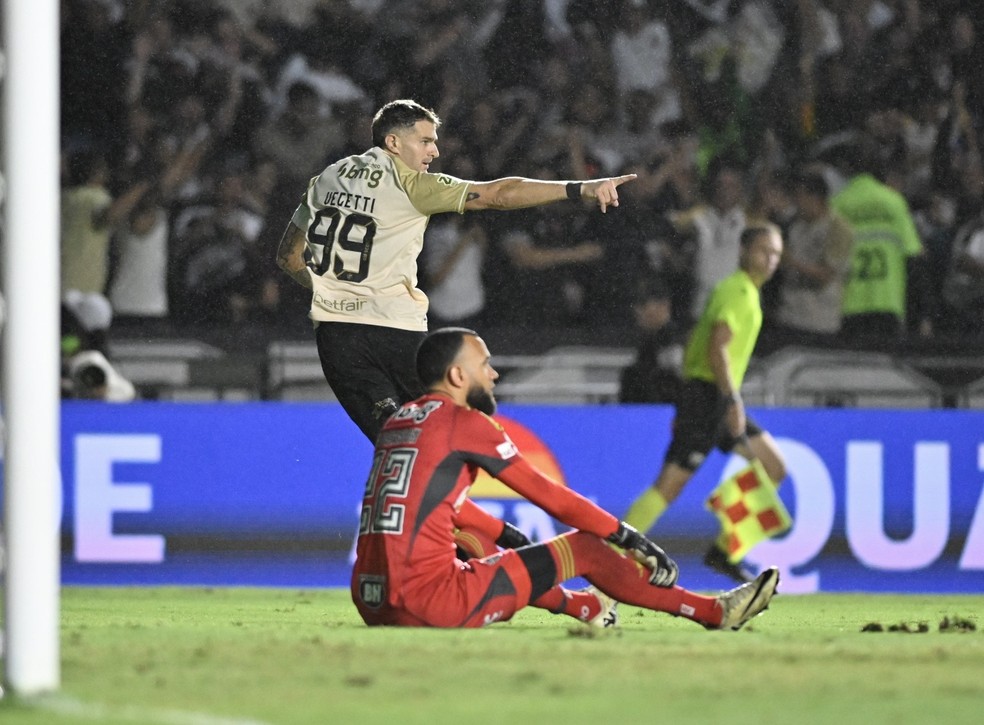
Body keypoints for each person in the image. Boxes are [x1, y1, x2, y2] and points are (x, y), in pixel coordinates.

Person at [351, 326, 779, 629]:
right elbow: (548, 496)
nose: (493, 374)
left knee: (476, 544)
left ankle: (584, 608)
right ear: (458, 376)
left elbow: (446, 506)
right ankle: (711, 612)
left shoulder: (399, 421)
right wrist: (628, 537)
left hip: (372, 601)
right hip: (430, 605)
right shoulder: (464, 422)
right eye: (484, 365)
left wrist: (509, 535)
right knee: (586, 549)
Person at [275, 98, 637, 443]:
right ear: (393, 142)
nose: (435, 151)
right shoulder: (413, 185)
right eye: (426, 141)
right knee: (446, 440)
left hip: (337, 341)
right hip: (395, 333)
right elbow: (499, 194)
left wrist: (333, 293)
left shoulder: (328, 177)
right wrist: (580, 189)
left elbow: (289, 259)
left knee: (395, 444)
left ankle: (400, 507)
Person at [623, 225, 787, 584]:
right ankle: (613, 550)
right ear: (744, 251)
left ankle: (724, 550)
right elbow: (718, 348)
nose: (770, 260)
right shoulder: (737, 291)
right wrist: (731, 401)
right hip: (710, 396)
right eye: (763, 251)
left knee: (773, 467)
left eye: (775, 254)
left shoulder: (744, 292)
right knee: (668, 486)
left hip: (711, 396)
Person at [772, 170, 854, 341]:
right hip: (789, 315)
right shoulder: (794, 225)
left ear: (815, 197)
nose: (796, 202)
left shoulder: (837, 228)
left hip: (819, 321)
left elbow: (826, 275)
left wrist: (790, 262)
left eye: (799, 196)